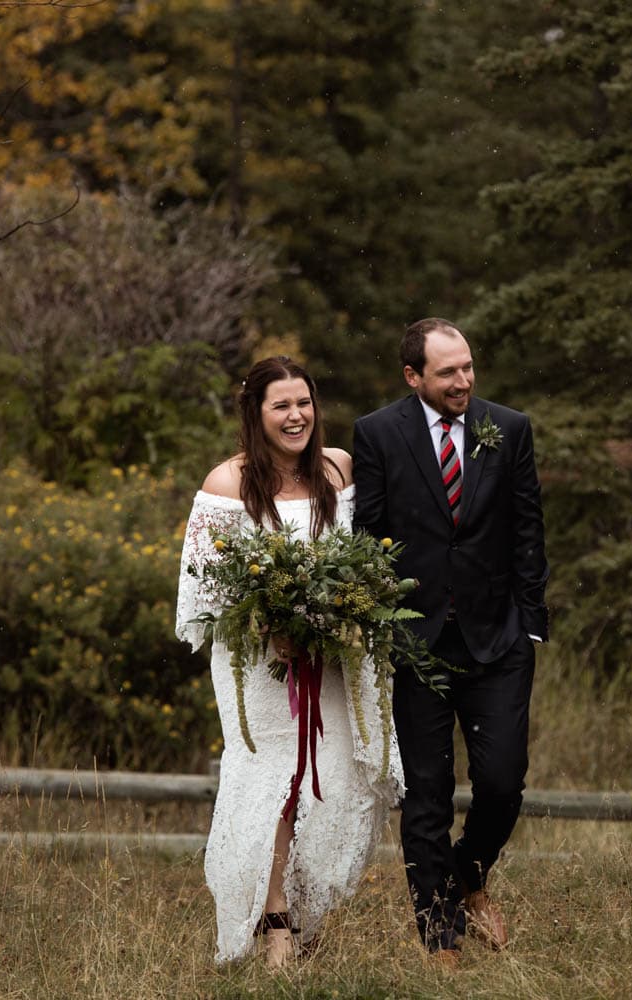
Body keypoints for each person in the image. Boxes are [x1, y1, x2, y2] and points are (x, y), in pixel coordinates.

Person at [175, 356, 403, 969]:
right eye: (281, 405)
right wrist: (270, 625)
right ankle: (273, 919)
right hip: (260, 667)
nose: (296, 415)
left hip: (334, 660)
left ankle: (308, 908)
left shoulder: (340, 469)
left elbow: (366, 557)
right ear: (256, 413)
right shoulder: (227, 484)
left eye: (303, 403)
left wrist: (346, 613)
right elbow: (203, 587)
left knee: (333, 779)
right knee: (274, 781)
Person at [352, 318, 550, 964]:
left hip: (499, 641)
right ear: (413, 377)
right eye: (447, 372)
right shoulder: (378, 434)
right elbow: (368, 535)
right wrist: (383, 625)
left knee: (502, 783)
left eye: (467, 367)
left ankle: (469, 872)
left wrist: (531, 621)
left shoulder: (509, 428)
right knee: (427, 795)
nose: (463, 381)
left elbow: (527, 528)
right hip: (418, 643)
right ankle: (440, 937)